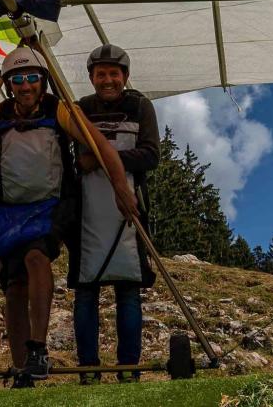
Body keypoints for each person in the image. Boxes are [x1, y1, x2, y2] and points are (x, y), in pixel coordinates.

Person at [0, 44, 138, 387]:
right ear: (9, 84)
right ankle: (22, 368)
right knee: (13, 286)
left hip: (51, 206)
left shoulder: (59, 110)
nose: (25, 86)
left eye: (32, 78)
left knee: (38, 258)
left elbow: (101, 147)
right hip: (9, 210)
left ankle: (38, 349)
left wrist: (120, 189)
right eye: (18, 80)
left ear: (43, 81)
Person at [68, 43, 161, 383]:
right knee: (86, 290)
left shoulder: (140, 105)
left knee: (128, 290)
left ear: (125, 76)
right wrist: (86, 164)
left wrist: (103, 160)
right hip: (87, 212)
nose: (108, 80)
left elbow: (151, 154)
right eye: (100, 74)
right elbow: (71, 160)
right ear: (92, 78)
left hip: (129, 207)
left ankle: (128, 369)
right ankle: (88, 370)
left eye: (114, 74)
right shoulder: (80, 109)